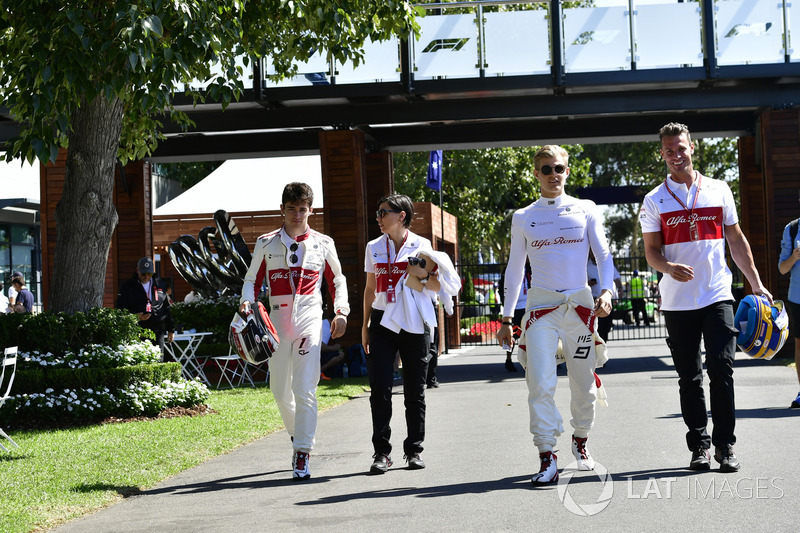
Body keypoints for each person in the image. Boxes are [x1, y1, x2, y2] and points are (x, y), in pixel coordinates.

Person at [640, 122, 771, 473]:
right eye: (668, 150)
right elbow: (651, 252)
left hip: (717, 296)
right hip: (677, 302)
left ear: (692, 147)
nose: (675, 155)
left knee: (721, 368)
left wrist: (755, 283)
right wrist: (668, 266)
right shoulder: (654, 200)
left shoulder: (718, 189)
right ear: (662, 153)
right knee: (690, 376)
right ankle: (699, 445)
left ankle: (725, 446)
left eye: (680, 148)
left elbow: (737, 240)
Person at [496, 145, 615, 485]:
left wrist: (606, 291)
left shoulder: (585, 209)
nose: (553, 175)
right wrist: (506, 318)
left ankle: (581, 441)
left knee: (583, 384)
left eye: (558, 168)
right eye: (546, 169)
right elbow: (514, 269)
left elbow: (604, 256)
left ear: (567, 170)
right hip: (540, 310)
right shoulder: (523, 217)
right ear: (536, 173)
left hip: (579, 308)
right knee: (540, 384)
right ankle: (547, 455)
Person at [239, 182, 349, 481]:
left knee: (304, 388)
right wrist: (247, 303)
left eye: (303, 209)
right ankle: (297, 434)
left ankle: (302, 452)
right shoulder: (266, 242)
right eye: (292, 209)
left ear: (310, 209)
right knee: (279, 391)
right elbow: (251, 280)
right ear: (282, 209)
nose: (297, 215)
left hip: (309, 321)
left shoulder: (323, 243)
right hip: (276, 323)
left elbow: (338, 281)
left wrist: (341, 312)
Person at [362, 194, 460, 474]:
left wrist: (423, 276)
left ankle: (414, 450)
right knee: (379, 388)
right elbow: (370, 289)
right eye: (378, 213)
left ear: (401, 216)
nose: (379, 218)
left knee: (414, 390)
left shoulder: (422, 245)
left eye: (384, 213)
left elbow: (438, 286)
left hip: (414, 320)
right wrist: (365, 325)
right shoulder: (373, 247)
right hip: (382, 320)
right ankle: (381, 453)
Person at [116, 257, 175, 354]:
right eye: (143, 274)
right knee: (140, 360)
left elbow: (166, 308)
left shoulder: (160, 284)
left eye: (150, 274)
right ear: (137, 270)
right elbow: (120, 308)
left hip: (157, 330)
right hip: (137, 329)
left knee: (158, 360)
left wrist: (171, 329)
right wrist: (135, 317)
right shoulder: (127, 286)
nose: (147, 276)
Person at [777, 189, 800, 409]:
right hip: (798, 297)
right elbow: (782, 269)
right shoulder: (792, 229)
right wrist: (794, 256)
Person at [588, 253, 622, 342]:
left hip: (606, 300)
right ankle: (599, 345)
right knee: (598, 326)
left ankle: (604, 343)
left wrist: (620, 289)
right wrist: (589, 283)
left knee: (607, 325)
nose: (594, 255)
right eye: (592, 253)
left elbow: (616, 278)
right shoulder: (586, 266)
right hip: (593, 300)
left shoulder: (606, 264)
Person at [320, 313, 346, 380]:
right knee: (340, 354)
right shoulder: (326, 327)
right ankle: (320, 371)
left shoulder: (324, 323)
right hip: (316, 354)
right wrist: (335, 347)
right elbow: (321, 347)